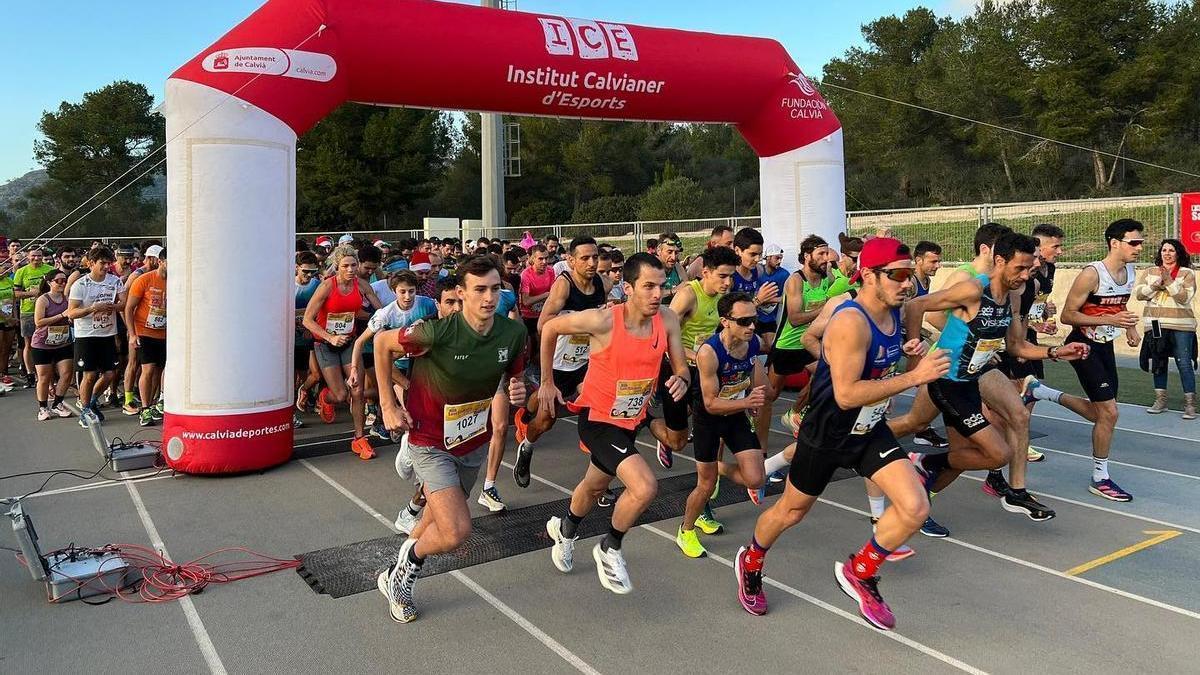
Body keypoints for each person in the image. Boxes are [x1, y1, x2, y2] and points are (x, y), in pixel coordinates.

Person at [735, 238, 947, 627]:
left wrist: (904, 346)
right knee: (790, 512)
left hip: (869, 429)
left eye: (908, 278)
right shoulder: (850, 320)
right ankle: (751, 559)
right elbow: (847, 394)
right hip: (829, 432)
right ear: (868, 275)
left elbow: (872, 365)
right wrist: (914, 377)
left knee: (916, 507)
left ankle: (860, 571)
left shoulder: (892, 312)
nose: (906, 284)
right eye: (897, 276)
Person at [374, 255, 527, 624]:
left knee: (436, 515)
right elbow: (381, 344)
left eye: (495, 289)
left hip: (472, 440)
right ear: (461, 293)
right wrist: (388, 405)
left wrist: (518, 389)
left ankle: (402, 564)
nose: (489, 298)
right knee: (456, 529)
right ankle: (405, 570)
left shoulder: (513, 333)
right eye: (479, 290)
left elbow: (514, 376)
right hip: (428, 438)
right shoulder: (436, 332)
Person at [904, 232, 1088, 519]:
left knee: (1016, 416)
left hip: (977, 374)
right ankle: (914, 458)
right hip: (948, 379)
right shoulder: (974, 290)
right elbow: (916, 305)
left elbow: (1016, 346)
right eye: (1020, 268)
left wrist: (1057, 352)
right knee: (990, 452)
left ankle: (1014, 492)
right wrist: (915, 354)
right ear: (999, 261)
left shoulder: (1013, 295)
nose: (1026, 276)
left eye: (1030, 268)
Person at [541, 253, 690, 595]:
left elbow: (680, 367)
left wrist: (681, 379)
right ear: (628, 288)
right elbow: (549, 328)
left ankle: (565, 529)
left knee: (594, 486)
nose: (657, 294)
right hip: (597, 420)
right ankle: (610, 546)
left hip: (630, 420)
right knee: (644, 487)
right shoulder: (603, 320)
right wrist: (547, 381)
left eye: (662, 286)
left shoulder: (666, 319)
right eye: (648, 286)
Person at [1039, 219, 1144, 502]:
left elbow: (1119, 305)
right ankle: (1101, 478)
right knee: (1109, 413)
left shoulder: (1130, 272)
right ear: (1114, 243)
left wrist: (1130, 327)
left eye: (1141, 242)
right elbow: (1067, 316)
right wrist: (1108, 319)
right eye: (1134, 242)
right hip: (1082, 344)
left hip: (1105, 345)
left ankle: (1043, 393)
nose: (1139, 247)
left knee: (1103, 414)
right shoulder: (1091, 274)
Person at [677, 292, 769, 558]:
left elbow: (748, 372)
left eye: (754, 319)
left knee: (756, 477)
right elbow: (711, 404)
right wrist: (746, 401)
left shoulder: (752, 343)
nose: (751, 326)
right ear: (725, 321)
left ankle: (717, 467)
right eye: (743, 321)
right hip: (710, 420)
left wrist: (749, 396)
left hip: (736, 416)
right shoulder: (709, 353)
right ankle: (686, 530)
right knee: (705, 486)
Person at [512, 237, 608, 487]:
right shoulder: (563, 286)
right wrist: (576, 323)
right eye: (585, 258)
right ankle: (527, 446)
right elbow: (544, 326)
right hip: (557, 362)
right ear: (571, 260)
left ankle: (599, 481)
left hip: (586, 363)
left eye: (595, 257)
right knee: (545, 420)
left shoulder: (600, 283)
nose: (591, 262)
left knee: (599, 415)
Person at [303, 246, 383, 457]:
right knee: (340, 395)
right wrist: (330, 337)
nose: (350, 269)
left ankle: (359, 438)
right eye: (345, 266)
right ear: (337, 267)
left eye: (353, 265)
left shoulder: (362, 285)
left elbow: (378, 310)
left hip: (349, 342)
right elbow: (307, 320)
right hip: (325, 343)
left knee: (356, 389)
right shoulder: (327, 287)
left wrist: (384, 318)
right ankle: (325, 398)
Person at [350, 270, 437, 443]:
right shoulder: (385, 313)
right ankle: (400, 425)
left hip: (420, 360)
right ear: (394, 291)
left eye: (411, 291)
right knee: (409, 395)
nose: (407, 296)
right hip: (394, 364)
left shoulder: (427, 304)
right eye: (402, 292)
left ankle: (406, 427)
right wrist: (353, 369)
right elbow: (359, 342)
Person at [762, 235, 833, 441]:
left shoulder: (826, 278)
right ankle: (752, 417)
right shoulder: (795, 280)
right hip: (787, 345)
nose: (826, 258)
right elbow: (794, 319)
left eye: (826, 253)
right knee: (771, 394)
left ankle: (794, 413)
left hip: (808, 342)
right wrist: (826, 309)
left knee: (826, 372)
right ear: (806, 256)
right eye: (821, 254)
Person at [1136, 238, 1196, 418]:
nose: (1167, 254)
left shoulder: (1186, 273)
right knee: (1158, 361)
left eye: (1171, 250)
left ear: (1178, 253)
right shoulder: (1149, 272)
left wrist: (1169, 282)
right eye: (1164, 250)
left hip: (1181, 324)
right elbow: (1139, 294)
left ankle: (1190, 404)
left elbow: (1184, 298)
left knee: (1184, 363)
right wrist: (1156, 285)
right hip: (1155, 324)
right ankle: (1161, 400)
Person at [65, 246, 125, 426]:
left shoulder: (114, 281)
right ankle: (85, 410)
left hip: (107, 334)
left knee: (109, 374)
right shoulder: (80, 284)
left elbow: (123, 304)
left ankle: (91, 402)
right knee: (89, 375)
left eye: (109, 263)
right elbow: (71, 313)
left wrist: (112, 307)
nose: (106, 266)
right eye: (102, 263)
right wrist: (92, 308)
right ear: (91, 263)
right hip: (87, 335)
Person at [123, 248, 168, 427]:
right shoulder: (144, 280)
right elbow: (128, 308)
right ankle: (145, 408)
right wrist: (132, 334)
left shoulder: (177, 281)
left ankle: (161, 400)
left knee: (164, 369)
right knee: (147, 370)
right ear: (161, 261)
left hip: (166, 332)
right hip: (145, 331)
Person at [30, 271, 75, 420]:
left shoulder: (67, 299)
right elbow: (39, 322)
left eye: (64, 280)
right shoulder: (43, 299)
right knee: (44, 377)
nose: (62, 283)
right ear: (50, 282)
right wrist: (62, 315)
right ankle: (43, 407)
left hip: (63, 341)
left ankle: (58, 403)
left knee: (67, 373)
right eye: (59, 281)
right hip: (42, 343)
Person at [13, 247, 54, 389]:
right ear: (28, 257)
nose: (36, 258)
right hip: (28, 311)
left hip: (48, 311)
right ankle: (30, 373)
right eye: (33, 256)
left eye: (39, 256)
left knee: (49, 342)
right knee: (29, 344)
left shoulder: (49, 269)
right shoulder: (21, 271)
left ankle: (48, 374)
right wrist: (32, 294)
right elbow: (16, 294)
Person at [293, 252, 322, 427]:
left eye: (313, 272)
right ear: (297, 268)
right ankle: (291, 416)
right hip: (291, 340)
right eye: (305, 272)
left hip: (310, 337)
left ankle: (304, 392)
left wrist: (311, 325)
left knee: (315, 375)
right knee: (291, 380)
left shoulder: (317, 285)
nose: (309, 276)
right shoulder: (288, 286)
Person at [519, 244, 556, 352]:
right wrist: (546, 295)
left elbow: (554, 293)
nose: (544, 262)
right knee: (534, 346)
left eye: (546, 258)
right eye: (541, 259)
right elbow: (526, 301)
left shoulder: (550, 271)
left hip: (546, 313)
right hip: (529, 316)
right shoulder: (525, 275)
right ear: (533, 259)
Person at [755, 242, 790, 348]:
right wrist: (774, 299)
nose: (779, 261)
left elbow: (789, 296)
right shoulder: (757, 272)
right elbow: (753, 297)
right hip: (754, 316)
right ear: (768, 258)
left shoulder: (784, 274)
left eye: (781, 258)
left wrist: (772, 299)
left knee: (772, 346)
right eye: (777, 258)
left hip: (769, 318)